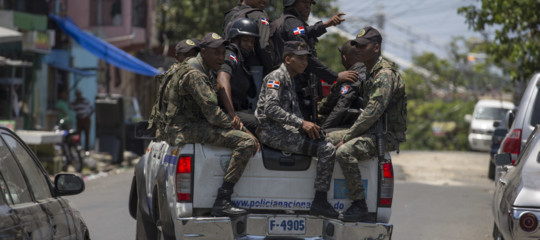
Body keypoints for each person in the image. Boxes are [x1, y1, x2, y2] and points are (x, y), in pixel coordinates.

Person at [162, 32, 259, 217]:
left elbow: (219, 87)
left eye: (223, 52)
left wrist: (232, 116)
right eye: (216, 53)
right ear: (204, 51)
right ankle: (223, 200)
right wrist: (245, 131)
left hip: (187, 125)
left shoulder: (200, 67)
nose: (221, 57)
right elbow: (214, 116)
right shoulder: (195, 74)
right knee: (245, 142)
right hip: (184, 129)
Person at [327, 26, 407, 222]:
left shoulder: (385, 75)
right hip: (372, 131)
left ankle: (359, 204)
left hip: (385, 135)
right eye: (356, 46)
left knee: (345, 152)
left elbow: (372, 112)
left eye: (363, 46)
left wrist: (347, 136)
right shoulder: (371, 73)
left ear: (376, 48)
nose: (358, 50)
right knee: (325, 139)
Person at [255, 41, 338, 218]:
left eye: (306, 59)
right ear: (288, 59)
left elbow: (293, 111)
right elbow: (271, 109)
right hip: (271, 132)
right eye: (300, 58)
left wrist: (307, 128)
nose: (304, 63)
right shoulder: (276, 77)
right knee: (327, 149)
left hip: (283, 130)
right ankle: (320, 201)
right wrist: (301, 124)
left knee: (327, 139)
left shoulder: (290, 78)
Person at [278, 0, 358, 121]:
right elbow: (306, 58)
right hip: (294, 88)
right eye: (304, 2)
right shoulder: (293, 23)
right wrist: (335, 76)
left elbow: (306, 32)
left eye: (309, 4)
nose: (308, 7)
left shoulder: (290, 22)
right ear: (291, 3)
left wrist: (326, 24)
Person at [147, 38, 201, 139]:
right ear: (177, 57)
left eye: (194, 55)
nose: (191, 59)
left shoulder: (172, 73)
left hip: (170, 131)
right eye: (187, 55)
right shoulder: (188, 76)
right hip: (181, 131)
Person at [217, 18, 260, 134]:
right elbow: (222, 78)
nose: (249, 45)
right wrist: (232, 113)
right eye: (246, 40)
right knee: (260, 124)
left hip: (236, 110)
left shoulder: (243, 60)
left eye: (252, 42)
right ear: (235, 38)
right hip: (224, 111)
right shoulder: (230, 54)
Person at [318, 40, 367, 129]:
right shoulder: (367, 70)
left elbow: (342, 106)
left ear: (344, 58)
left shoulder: (353, 75)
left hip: (351, 125)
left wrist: (323, 129)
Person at [223, 0, 273, 74]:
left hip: (232, 63)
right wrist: (272, 69)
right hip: (253, 70)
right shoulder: (259, 15)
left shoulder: (233, 14)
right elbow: (263, 46)